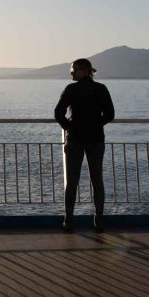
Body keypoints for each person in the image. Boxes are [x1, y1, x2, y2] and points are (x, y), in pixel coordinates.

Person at [54, 58, 114, 233]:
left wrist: (69, 126)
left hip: (75, 140)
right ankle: (99, 219)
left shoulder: (71, 89)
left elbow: (58, 113)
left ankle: (69, 220)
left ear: (83, 71)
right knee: (97, 180)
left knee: (72, 181)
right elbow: (110, 114)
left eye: (73, 70)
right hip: (96, 140)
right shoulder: (101, 89)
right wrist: (96, 125)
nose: (71, 73)